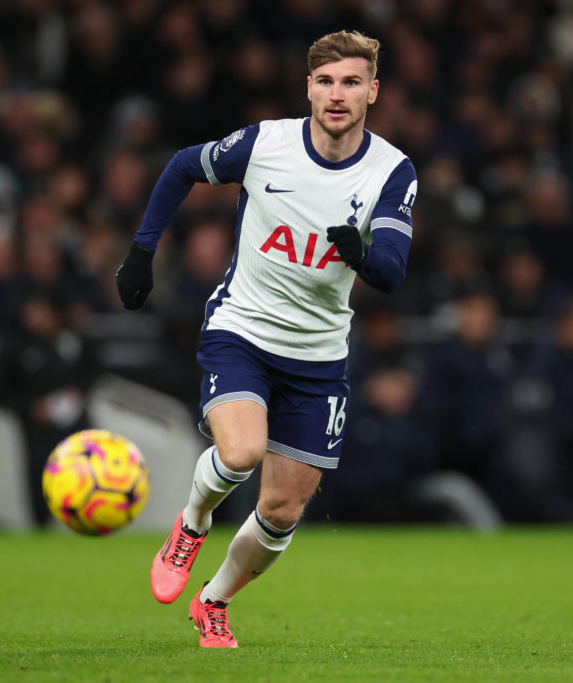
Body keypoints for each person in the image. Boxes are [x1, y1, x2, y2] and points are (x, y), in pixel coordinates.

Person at [115, 31, 416, 648]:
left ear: (372, 92)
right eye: (326, 82)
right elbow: (179, 167)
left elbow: (392, 270)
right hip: (242, 331)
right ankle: (192, 523)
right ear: (309, 87)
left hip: (319, 355)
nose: (338, 95)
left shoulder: (392, 169)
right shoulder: (265, 144)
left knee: (281, 512)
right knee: (243, 452)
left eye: (352, 82)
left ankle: (213, 601)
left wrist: (362, 253)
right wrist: (143, 252)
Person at [0, 288, 102, 526]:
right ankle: (41, 528)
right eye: (32, 310)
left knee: (88, 484)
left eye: (44, 311)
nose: (38, 317)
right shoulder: (13, 348)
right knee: (42, 487)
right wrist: (31, 407)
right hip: (37, 433)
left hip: (76, 428)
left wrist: (77, 392)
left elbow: (95, 370)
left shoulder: (74, 341)